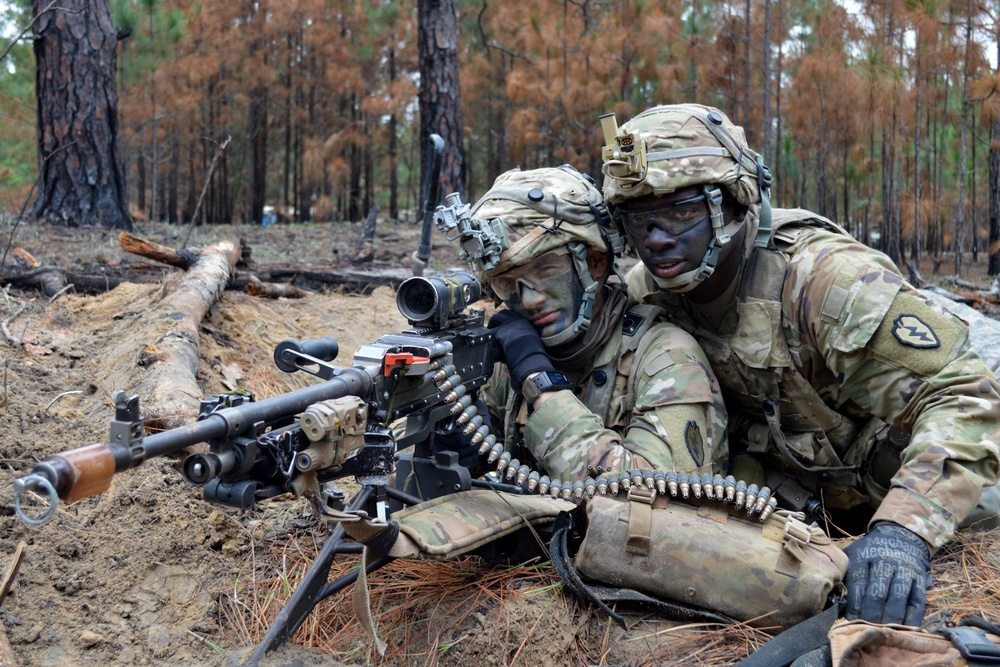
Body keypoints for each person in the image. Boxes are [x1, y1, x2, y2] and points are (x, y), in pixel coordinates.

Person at [598, 103, 1000, 628]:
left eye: (680, 213)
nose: (655, 239)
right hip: (791, 505)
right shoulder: (647, 293)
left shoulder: (822, 280)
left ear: (732, 203)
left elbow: (966, 393)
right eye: (637, 219)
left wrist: (905, 532)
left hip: (908, 485)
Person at [438, 164, 728, 489]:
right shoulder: (511, 357)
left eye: (547, 269)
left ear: (595, 261)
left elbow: (659, 500)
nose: (529, 300)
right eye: (507, 282)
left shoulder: (667, 357)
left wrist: (540, 385)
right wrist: (450, 436)